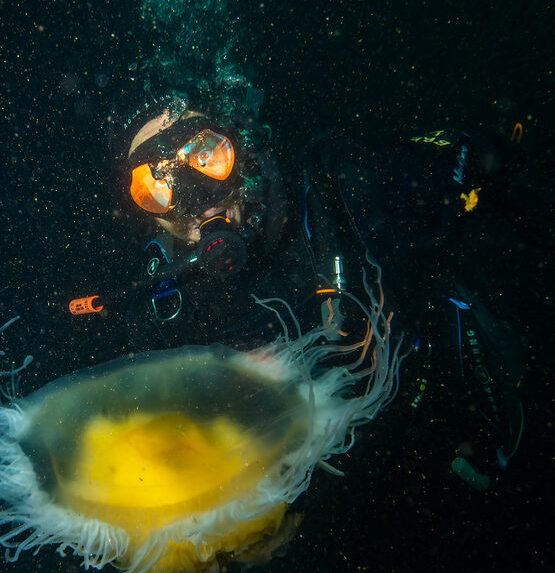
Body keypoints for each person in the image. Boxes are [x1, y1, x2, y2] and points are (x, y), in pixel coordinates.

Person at [72, 96, 526, 490]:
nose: (196, 195)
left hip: (449, 424)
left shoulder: (335, 186)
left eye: (206, 155)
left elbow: (477, 165)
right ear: (150, 216)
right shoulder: (162, 310)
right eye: (158, 187)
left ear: (239, 147)